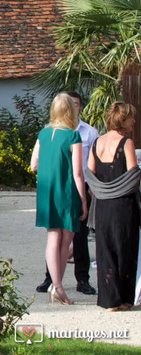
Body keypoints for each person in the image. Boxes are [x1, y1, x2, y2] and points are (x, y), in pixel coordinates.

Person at [36, 91, 98, 296]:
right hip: (66, 191)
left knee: (52, 238)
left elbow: (33, 164)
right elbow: (78, 173)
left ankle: (55, 284)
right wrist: (83, 200)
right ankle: (58, 286)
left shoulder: (43, 134)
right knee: (66, 240)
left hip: (47, 191)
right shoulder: (73, 135)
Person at [86, 102, 139, 311]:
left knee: (105, 249)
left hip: (102, 205)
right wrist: (118, 189)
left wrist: (103, 190)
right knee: (125, 248)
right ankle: (124, 300)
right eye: (131, 117)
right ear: (122, 120)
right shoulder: (127, 143)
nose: (134, 121)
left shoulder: (97, 143)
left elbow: (90, 174)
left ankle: (109, 300)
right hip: (124, 205)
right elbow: (133, 175)